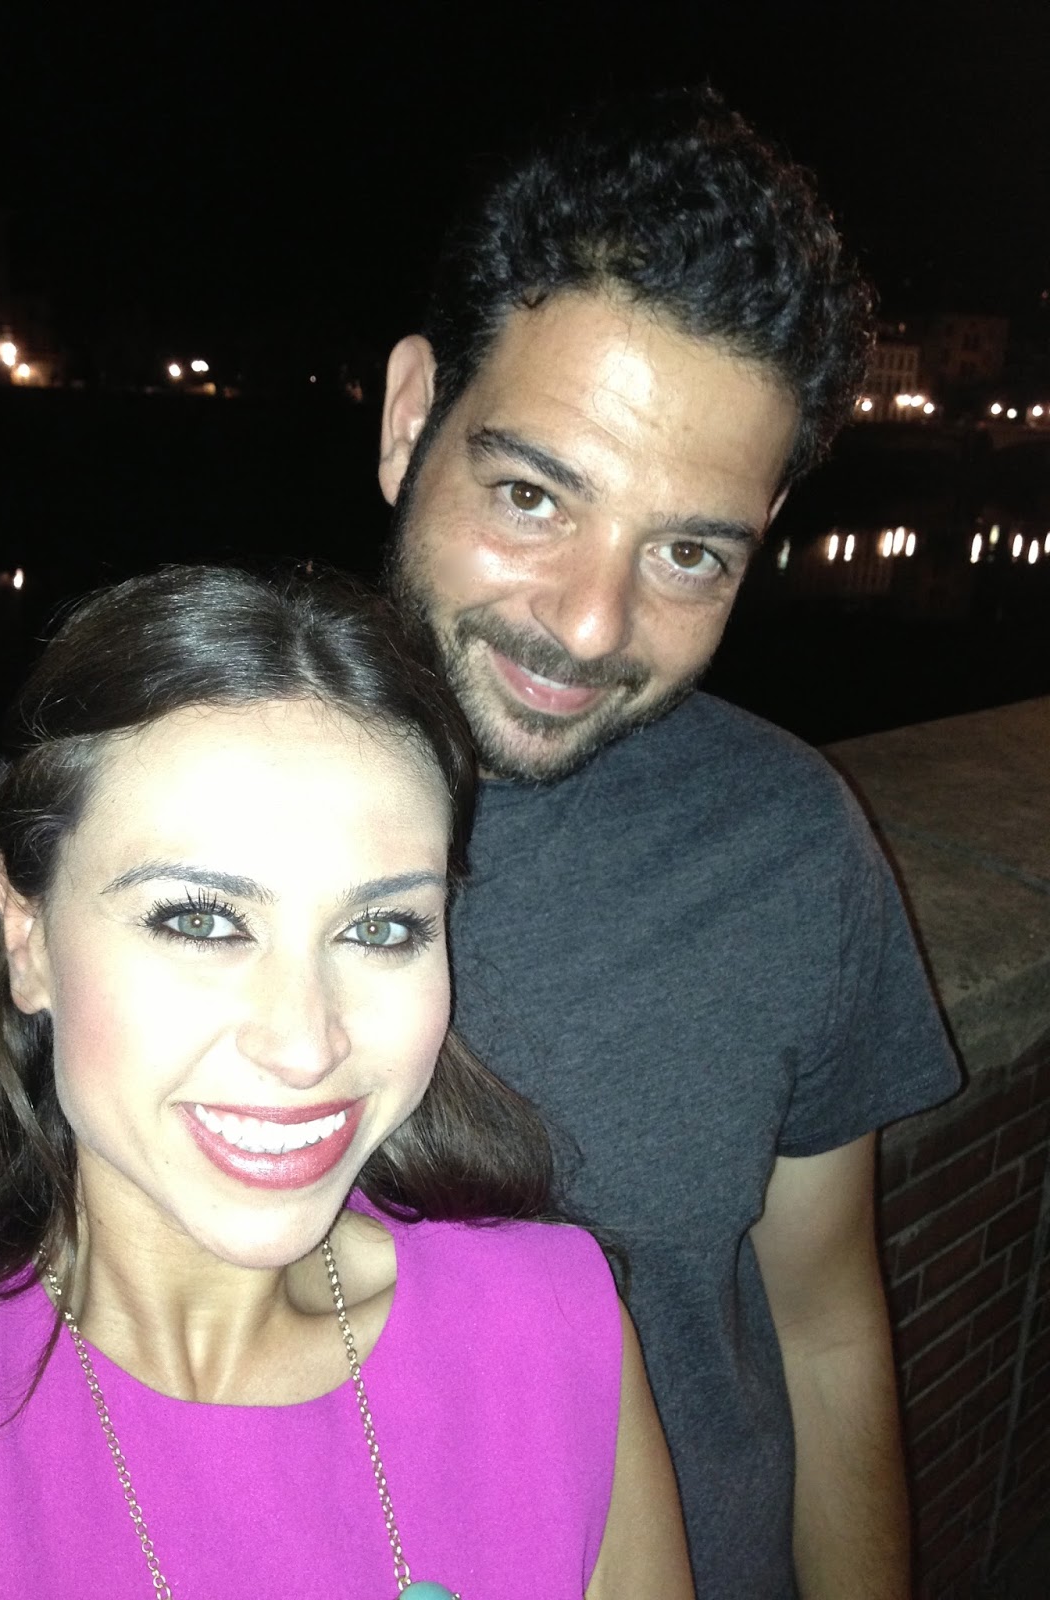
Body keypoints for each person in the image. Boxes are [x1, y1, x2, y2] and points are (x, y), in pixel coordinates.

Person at [374, 90, 961, 1598]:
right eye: (531, 495)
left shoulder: (790, 848)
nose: (590, 625)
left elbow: (824, 1330)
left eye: (689, 551)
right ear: (409, 417)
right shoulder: (168, 795)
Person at [0, 566, 693, 1600]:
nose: (305, 1045)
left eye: (380, 928)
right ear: (26, 940)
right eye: (201, 919)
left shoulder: (551, 1329)